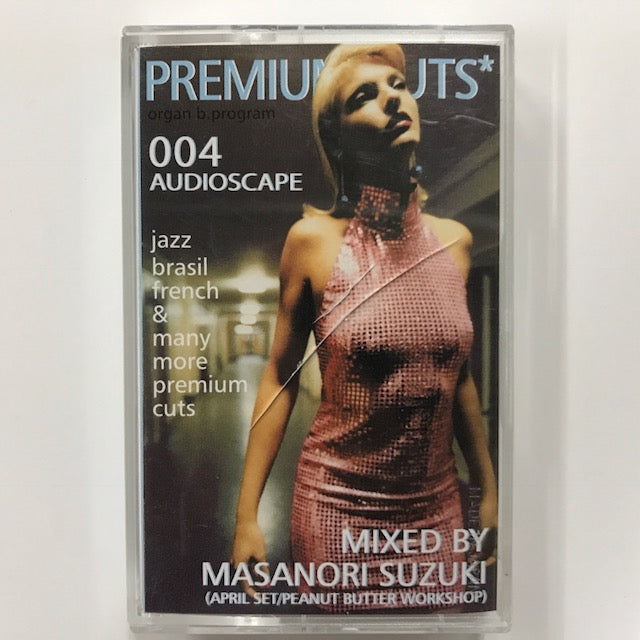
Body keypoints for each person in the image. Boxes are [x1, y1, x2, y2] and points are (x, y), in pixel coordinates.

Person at [232, 43, 497, 612]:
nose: (393, 99)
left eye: (398, 86)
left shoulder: (455, 243)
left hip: (437, 512)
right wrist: (246, 515)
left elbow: (459, 378)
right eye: (365, 96)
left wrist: (489, 490)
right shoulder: (312, 243)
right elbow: (279, 376)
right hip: (338, 510)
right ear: (337, 138)